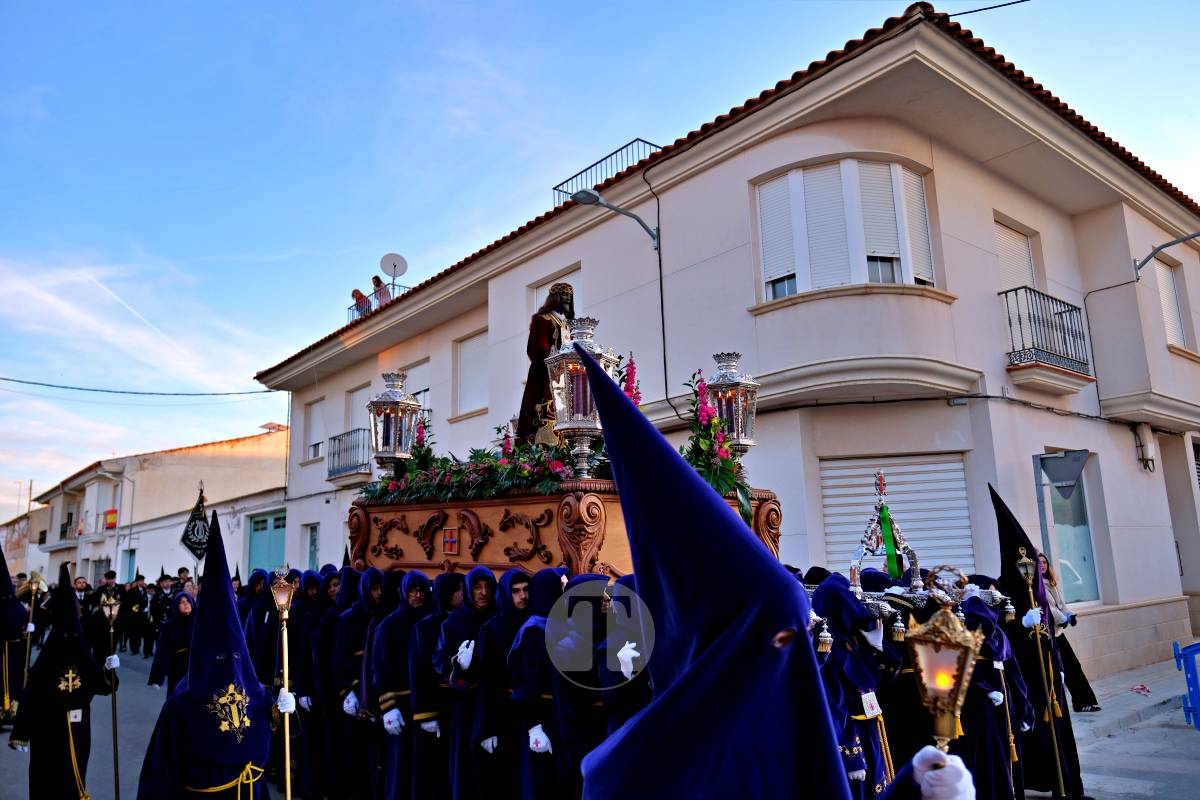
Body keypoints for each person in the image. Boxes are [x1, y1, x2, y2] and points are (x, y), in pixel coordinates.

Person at [575, 343, 974, 800]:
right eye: (783, 636)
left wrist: (916, 789)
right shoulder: (628, 774)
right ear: (726, 646)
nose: (800, 651)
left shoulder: (787, 724)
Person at [137, 511, 295, 798]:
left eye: (236, 656)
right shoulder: (181, 704)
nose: (230, 665)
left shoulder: (258, 693)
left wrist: (283, 710)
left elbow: (278, 733)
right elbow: (160, 776)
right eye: (221, 658)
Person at [991, 486, 1091, 800]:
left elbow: (1049, 632)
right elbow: (998, 634)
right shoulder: (1001, 591)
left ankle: (1068, 787)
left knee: (1061, 733)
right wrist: (1021, 624)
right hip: (1027, 679)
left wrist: (1058, 666)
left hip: (1049, 674)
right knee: (1036, 733)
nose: (1029, 569)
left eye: (1032, 564)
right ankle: (1045, 783)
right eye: (1024, 564)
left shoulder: (1039, 591)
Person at [8, 563, 118, 798]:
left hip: (78, 724)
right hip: (48, 726)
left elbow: (101, 686)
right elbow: (32, 694)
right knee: (48, 774)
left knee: (74, 772)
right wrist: (22, 732)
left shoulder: (81, 649)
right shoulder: (50, 654)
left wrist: (108, 670)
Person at [436, 565, 497, 800]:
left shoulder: (499, 618)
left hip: (495, 703)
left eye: (488, 587)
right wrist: (457, 664)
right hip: (465, 705)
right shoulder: (453, 622)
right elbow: (439, 659)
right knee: (465, 770)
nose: (483, 592)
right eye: (477, 587)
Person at [506, 568, 568, 799]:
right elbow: (525, 681)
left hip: (557, 714)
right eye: (562, 587)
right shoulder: (533, 632)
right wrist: (535, 726)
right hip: (541, 717)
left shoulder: (557, 624)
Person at [370, 570, 432, 799]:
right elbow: (380, 668)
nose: (418, 595)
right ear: (404, 593)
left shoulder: (431, 620)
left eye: (422, 590)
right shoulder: (388, 625)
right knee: (399, 765)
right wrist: (388, 707)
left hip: (425, 703)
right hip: (400, 705)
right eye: (413, 590)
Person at [472, 569, 532, 800]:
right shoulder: (493, 628)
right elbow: (487, 681)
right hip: (502, 712)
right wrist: (488, 727)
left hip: (529, 711)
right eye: (516, 591)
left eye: (526, 590)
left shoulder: (534, 622)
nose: (523, 596)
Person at [410, 572, 464, 800]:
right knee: (433, 766)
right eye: (458, 589)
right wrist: (426, 713)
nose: (463, 594)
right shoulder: (424, 627)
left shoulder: (466, 620)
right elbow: (419, 671)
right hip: (436, 702)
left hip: (459, 702)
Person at [1037, 554, 1100, 714]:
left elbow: (1061, 605)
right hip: (1048, 634)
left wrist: (1070, 615)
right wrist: (1062, 619)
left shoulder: (1050, 582)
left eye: (1045, 562)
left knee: (1073, 666)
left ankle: (1083, 702)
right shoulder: (1038, 585)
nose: (1042, 565)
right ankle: (1071, 704)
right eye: (1039, 562)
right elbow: (1048, 608)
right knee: (1062, 670)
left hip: (1058, 632)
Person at [515, 282, 574, 443]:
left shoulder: (568, 324)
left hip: (566, 375)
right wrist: (556, 358)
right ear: (555, 298)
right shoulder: (542, 319)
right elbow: (537, 348)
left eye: (570, 296)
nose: (568, 299)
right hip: (545, 374)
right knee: (545, 410)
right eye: (565, 295)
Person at [1, 551, 30, 727]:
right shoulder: (15, 605)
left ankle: (11, 711)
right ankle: (12, 713)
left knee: (12, 681)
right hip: (13, 653)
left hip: (12, 652)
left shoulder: (14, 605)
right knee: (13, 681)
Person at [148, 591, 197, 695]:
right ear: (177, 606)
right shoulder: (169, 626)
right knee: (177, 696)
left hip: (197, 665)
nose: (186, 604)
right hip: (177, 666)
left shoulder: (200, 622)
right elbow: (161, 652)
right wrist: (157, 677)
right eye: (182, 602)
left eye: (188, 601)